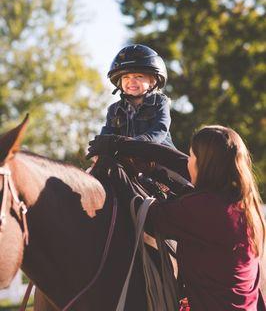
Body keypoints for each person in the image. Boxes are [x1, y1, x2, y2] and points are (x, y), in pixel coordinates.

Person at [88, 125, 266, 310]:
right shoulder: (243, 204)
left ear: (204, 165)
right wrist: (130, 150)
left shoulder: (204, 209)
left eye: (192, 156)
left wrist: (116, 171)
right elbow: (179, 164)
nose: (188, 161)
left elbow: (150, 217)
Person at [100, 44, 176, 148]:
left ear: (152, 82)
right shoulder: (114, 110)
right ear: (119, 82)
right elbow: (108, 132)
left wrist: (137, 142)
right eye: (126, 77)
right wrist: (101, 144)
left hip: (159, 153)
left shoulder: (160, 102)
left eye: (139, 76)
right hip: (127, 154)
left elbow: (160, 128)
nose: (132, 81)